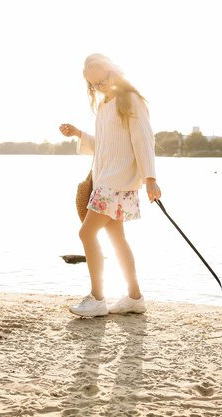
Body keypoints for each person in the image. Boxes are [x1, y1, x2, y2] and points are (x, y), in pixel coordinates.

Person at [59, 53, 161, 317]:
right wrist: (79, 134)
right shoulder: (105, 104)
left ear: (113, 72)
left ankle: (97, 298)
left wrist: (150, 178)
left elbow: (144, 140)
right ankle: (134, 298)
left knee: (86, 233)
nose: (99, 87)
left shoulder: (131, 100)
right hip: (108, 180)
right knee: (117, 239)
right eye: (93, 84)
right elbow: (106, 144)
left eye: (101, 81)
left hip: (116, 183)